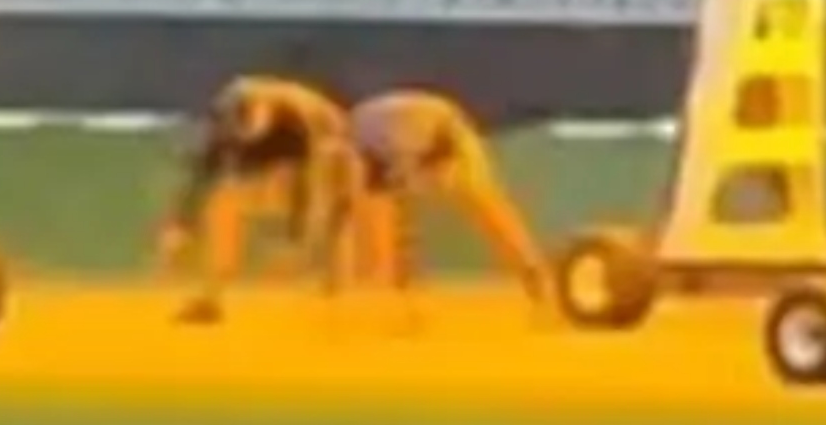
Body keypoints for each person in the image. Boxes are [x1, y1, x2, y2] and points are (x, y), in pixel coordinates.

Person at [159, 75, 359, 325]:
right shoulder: (226, 117)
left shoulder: (303, 120)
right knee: (224, 198)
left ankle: (332, 283)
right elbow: (203, 175)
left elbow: (311, 183)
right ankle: (212, 293)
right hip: (279, 137)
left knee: (332, 206)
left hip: (318, 138)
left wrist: (297, 235)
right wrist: (181, 224)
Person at [339, 88, 552, 305]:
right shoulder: (365, 139)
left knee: (485, 204)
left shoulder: (370, 136)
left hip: (446, 135)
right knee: (378, 216)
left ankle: (532, 270)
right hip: (421, 135)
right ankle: (386, 285)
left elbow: (398, 200)